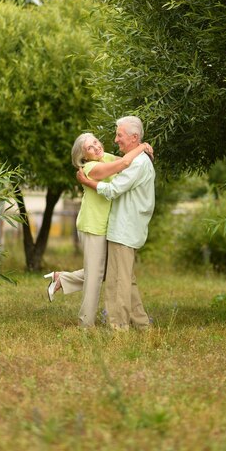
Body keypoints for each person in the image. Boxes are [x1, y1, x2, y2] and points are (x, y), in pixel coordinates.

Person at [44, 132, 153, 329]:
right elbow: (123, 164)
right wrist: (143, 146)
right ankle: (86, 325)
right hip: (93, 226)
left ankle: (62, 278)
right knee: (94, 277)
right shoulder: (90, 167)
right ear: (84, 157)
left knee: (107, 272)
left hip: (109, 226)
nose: (95, 148)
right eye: (89, 148)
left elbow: (130, 161)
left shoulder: (106, 157)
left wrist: (140, 150)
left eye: (95, 142)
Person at [77, 116, 155, 331]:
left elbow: (112, 190)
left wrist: (87, 183)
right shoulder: (133, 159)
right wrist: (142, 147)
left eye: (119, 135)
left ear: (134, 137)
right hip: (119, 227)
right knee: (125, 280)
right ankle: (141, 325)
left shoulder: (137, 162)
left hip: (124, 228)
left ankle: (118, 328)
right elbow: (122, 161)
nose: (115, 139)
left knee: (118, 282)